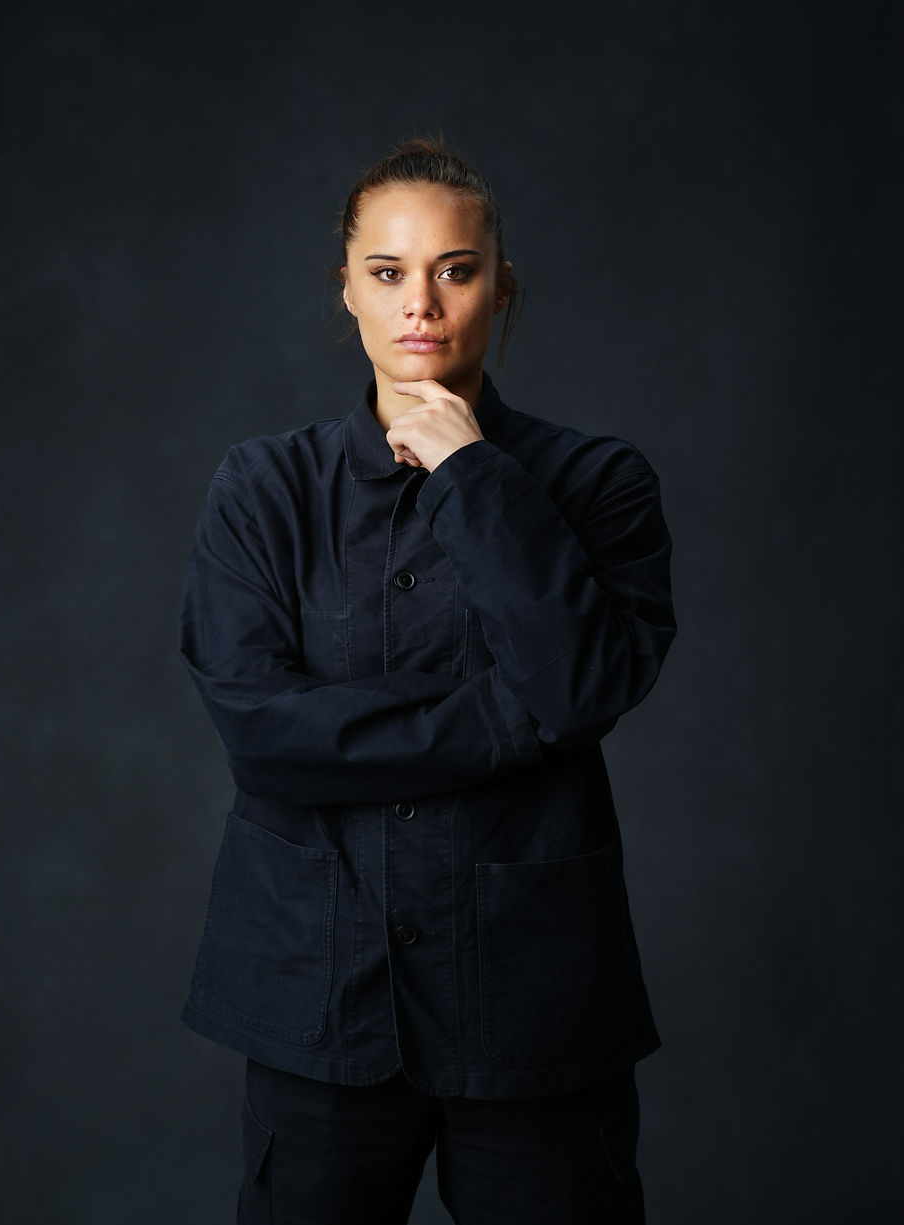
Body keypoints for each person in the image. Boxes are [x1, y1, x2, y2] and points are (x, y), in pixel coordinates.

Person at [178, 136, 676, 1225]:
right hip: (316, 995)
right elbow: (263, 735)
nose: (423, 304)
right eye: (389, 271)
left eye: (455, 269)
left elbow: (584, 683)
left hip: (535, 1001)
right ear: (346, 289)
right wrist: (515, 725)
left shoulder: (598, 483)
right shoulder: (263, 488)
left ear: (501, 286)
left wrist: (467, 472)